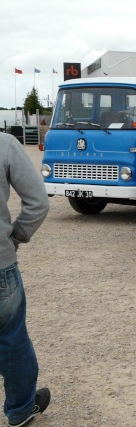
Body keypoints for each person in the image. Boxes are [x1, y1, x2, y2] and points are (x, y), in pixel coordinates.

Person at [0, 132, 51, 426]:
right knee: (11, 340)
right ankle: (20, 409)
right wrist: (16, 236)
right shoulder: (6, 144)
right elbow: (38, 203)